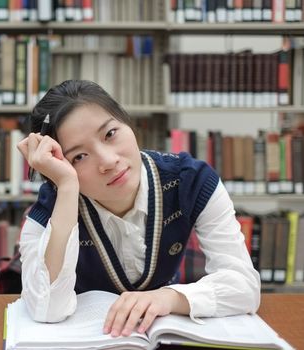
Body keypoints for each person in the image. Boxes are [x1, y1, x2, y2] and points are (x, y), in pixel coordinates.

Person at [16, 80, 260, 337]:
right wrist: (65, 186)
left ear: (127, 121)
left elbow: (244, 286)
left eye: (110, 134)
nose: (109, 161)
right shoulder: (53, 204)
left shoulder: (191, 180)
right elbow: (46, 309)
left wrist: (169, 298)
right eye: (79, 157)